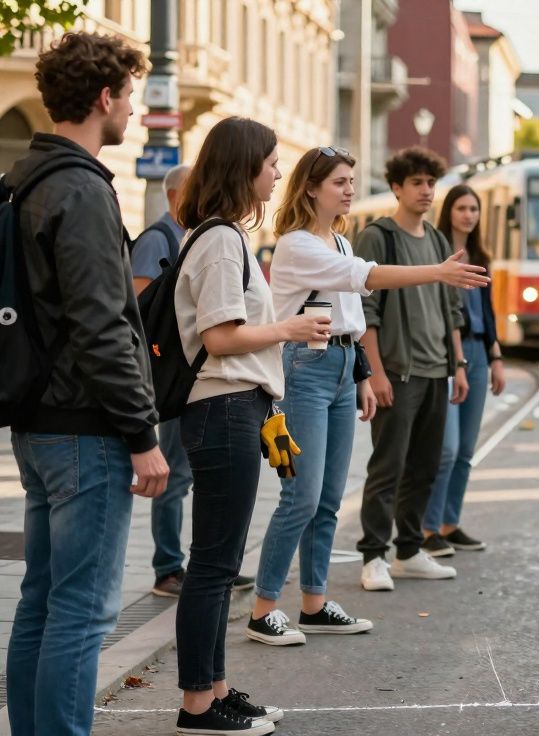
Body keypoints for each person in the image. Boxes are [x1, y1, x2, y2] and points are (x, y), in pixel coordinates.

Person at [248, 148, 488, 645]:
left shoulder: (336, 239)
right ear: (312, 188)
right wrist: (436, 273)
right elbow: (368, 278)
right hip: (304, 369)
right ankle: (263, 609)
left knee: (330, 499)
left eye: (352, 180)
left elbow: (351, 317)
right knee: (301, 497)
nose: (350, 189)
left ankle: (313, 603)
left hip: (337, 367)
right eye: (340, 181)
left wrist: (359, 376)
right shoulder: (295, 245)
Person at [5, 32, 168, 736]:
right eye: (129, 95)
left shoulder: (23, 180)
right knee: (82, 610)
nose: (131, 109)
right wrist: (142, 433)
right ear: (105, 97)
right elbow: (102, 327)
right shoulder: (82, 189)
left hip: (36, 420)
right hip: (86, 426)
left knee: (42, 599)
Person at [171, 116, 328, 733]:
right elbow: (219, 336)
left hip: (237, 410)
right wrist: (289, 329)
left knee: (220, 557)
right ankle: (196, 706)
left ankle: (215, 689)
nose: (278, 173)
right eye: (270, 162)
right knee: (212, 564)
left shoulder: (224, 237)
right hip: (223, 410)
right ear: (244, 168)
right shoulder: (218, 241)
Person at [355, 147, 471, 591]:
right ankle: (373, 555)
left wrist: (457, 365)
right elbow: (367, 311)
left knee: (426, 465)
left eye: (430, 183)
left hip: (435, 370)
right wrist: (376, 372)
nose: (426, 191)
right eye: (417, 183)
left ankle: (407, 550)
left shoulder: (439, 242)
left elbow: (452, 308)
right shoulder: (378, 237)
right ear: (397, 188)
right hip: (397, 371)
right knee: (388, 465)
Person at [131, 164, 210, 600]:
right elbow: (140, 314)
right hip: (168, 379)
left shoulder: (188, 238)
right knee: (175, 475)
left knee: (192, 474)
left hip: (190, 375)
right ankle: (167, 568)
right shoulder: (157, 240)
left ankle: (200, 565)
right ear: (179, 195)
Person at [421, 184, 505, 557]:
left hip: (478, 351)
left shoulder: (481, 255)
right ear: (449, 212)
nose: (469, 215)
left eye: (474, 208)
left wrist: (496, 357)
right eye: (462, 208)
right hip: (447, 353)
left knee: (466, 449)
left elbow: (487, 313)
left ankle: (449, 524)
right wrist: (458, 361)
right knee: (446, 448)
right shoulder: (439, 254)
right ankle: (427, 528)